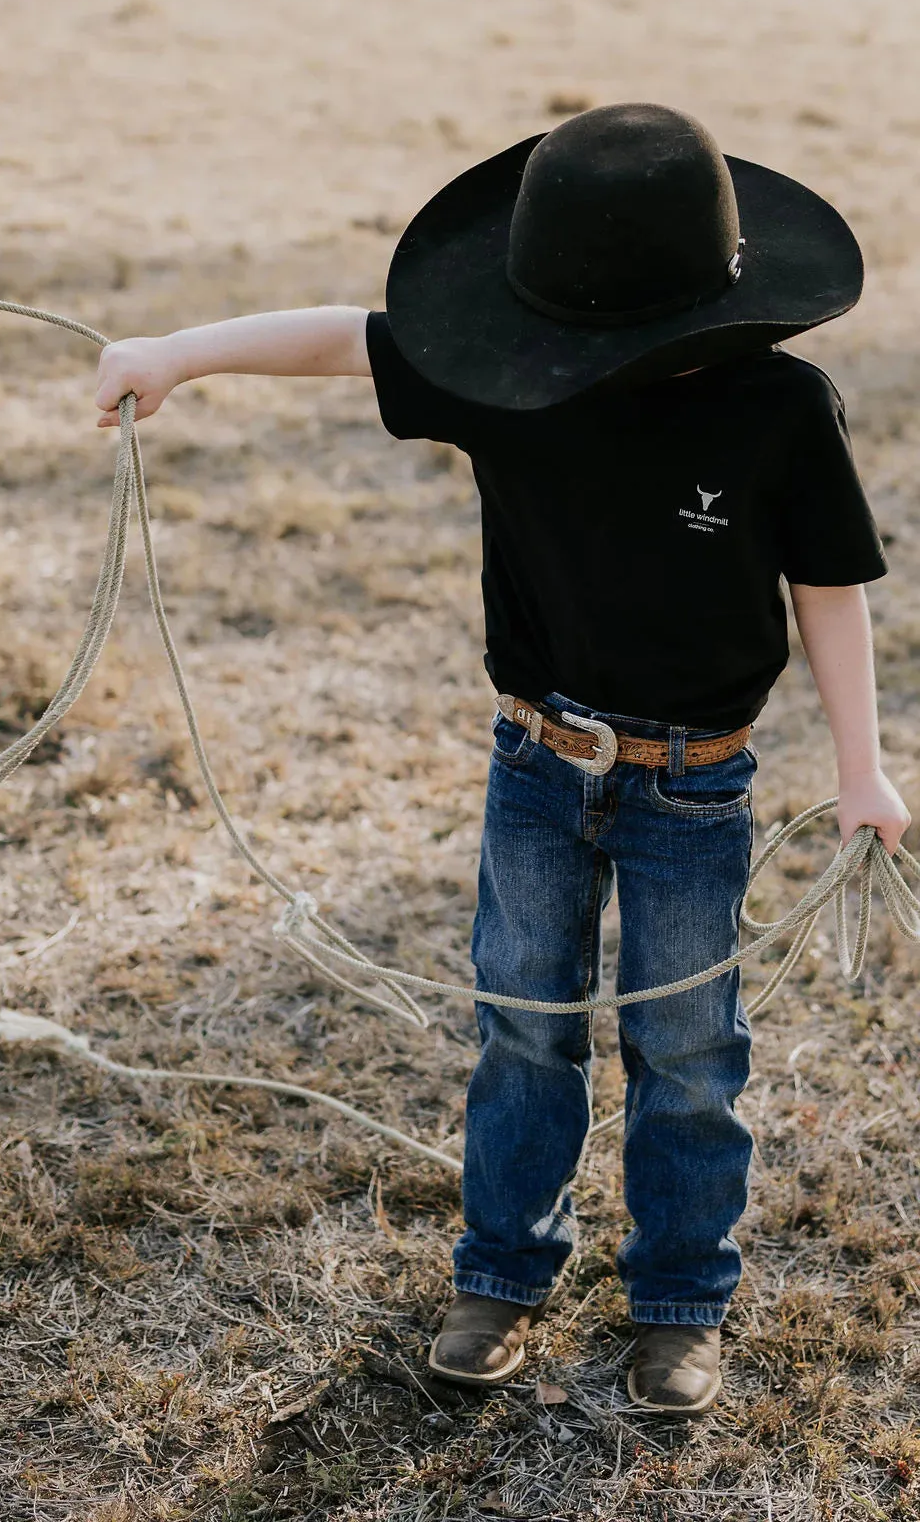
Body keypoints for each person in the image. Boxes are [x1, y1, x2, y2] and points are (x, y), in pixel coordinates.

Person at [93, 104, 911, 1416]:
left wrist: (864, 769)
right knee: (524, 1027)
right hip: (536, 766)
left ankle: (679, 1303)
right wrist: (173, 356)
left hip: (696, 785)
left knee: (688, 1049)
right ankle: (502, 1276)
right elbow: (339, 340)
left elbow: (829, 590)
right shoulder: (514, 371)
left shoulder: (778, 410)